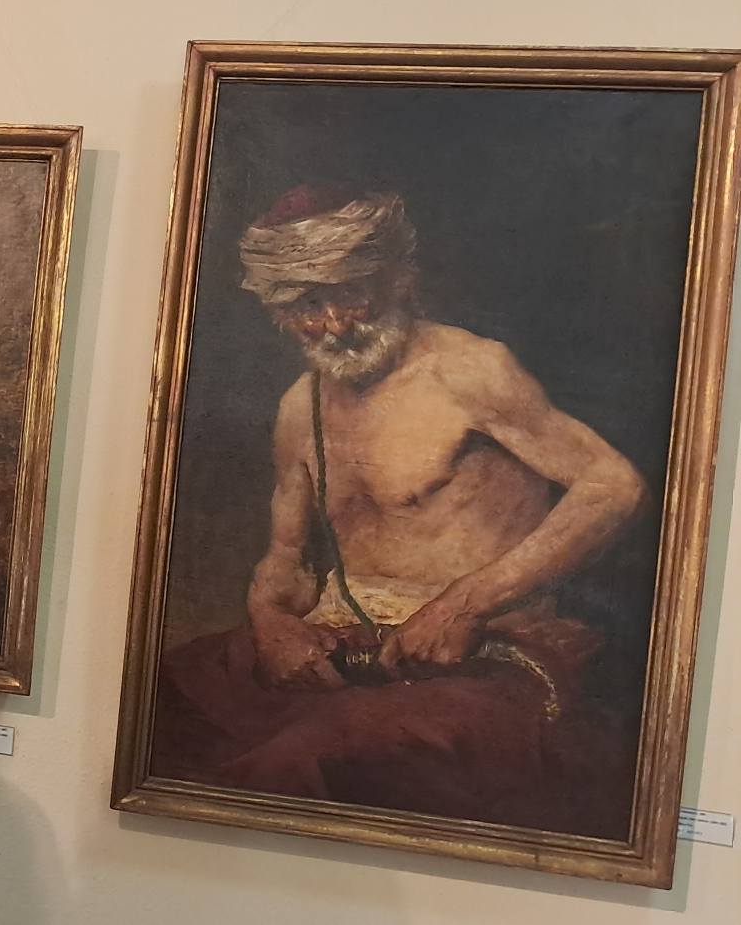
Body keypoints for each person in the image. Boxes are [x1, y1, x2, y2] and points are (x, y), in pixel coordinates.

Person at [152, 186, 648, 836]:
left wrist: (464, 605)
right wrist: (270, 621)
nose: (334, 324)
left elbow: (614, 486)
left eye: (350, 294)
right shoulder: (299, 407)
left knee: (296, 763)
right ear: (277, 310)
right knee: (163, 703)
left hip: (481, 659)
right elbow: (286, 560)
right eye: (306, 304)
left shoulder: (471, 371)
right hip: (344, 654)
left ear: (398, 279)